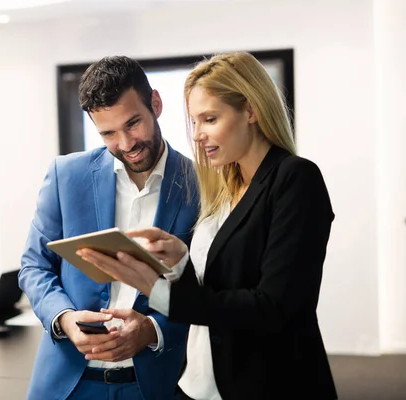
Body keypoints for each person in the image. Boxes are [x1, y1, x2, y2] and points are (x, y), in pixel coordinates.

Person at [78, 52, 338, 400]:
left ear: (250, 110)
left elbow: (272, 308)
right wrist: (179, 262)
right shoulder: (224, 186)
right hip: (200, 383)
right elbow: (216, 287)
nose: (197, 135)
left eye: (209, 119)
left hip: (268, 383)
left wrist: (157, 290)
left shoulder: (295, 179)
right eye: (194, 122)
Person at [19, 56, 200, 400]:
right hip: (65, 384)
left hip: (153, 385)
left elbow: (208, 291)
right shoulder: (66, 175)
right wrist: (64, 318)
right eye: (108, 133)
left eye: (133, 124)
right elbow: (34, 266)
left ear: (156, 105)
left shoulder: (201, 186)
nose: (127, 143)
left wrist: (152, 331)